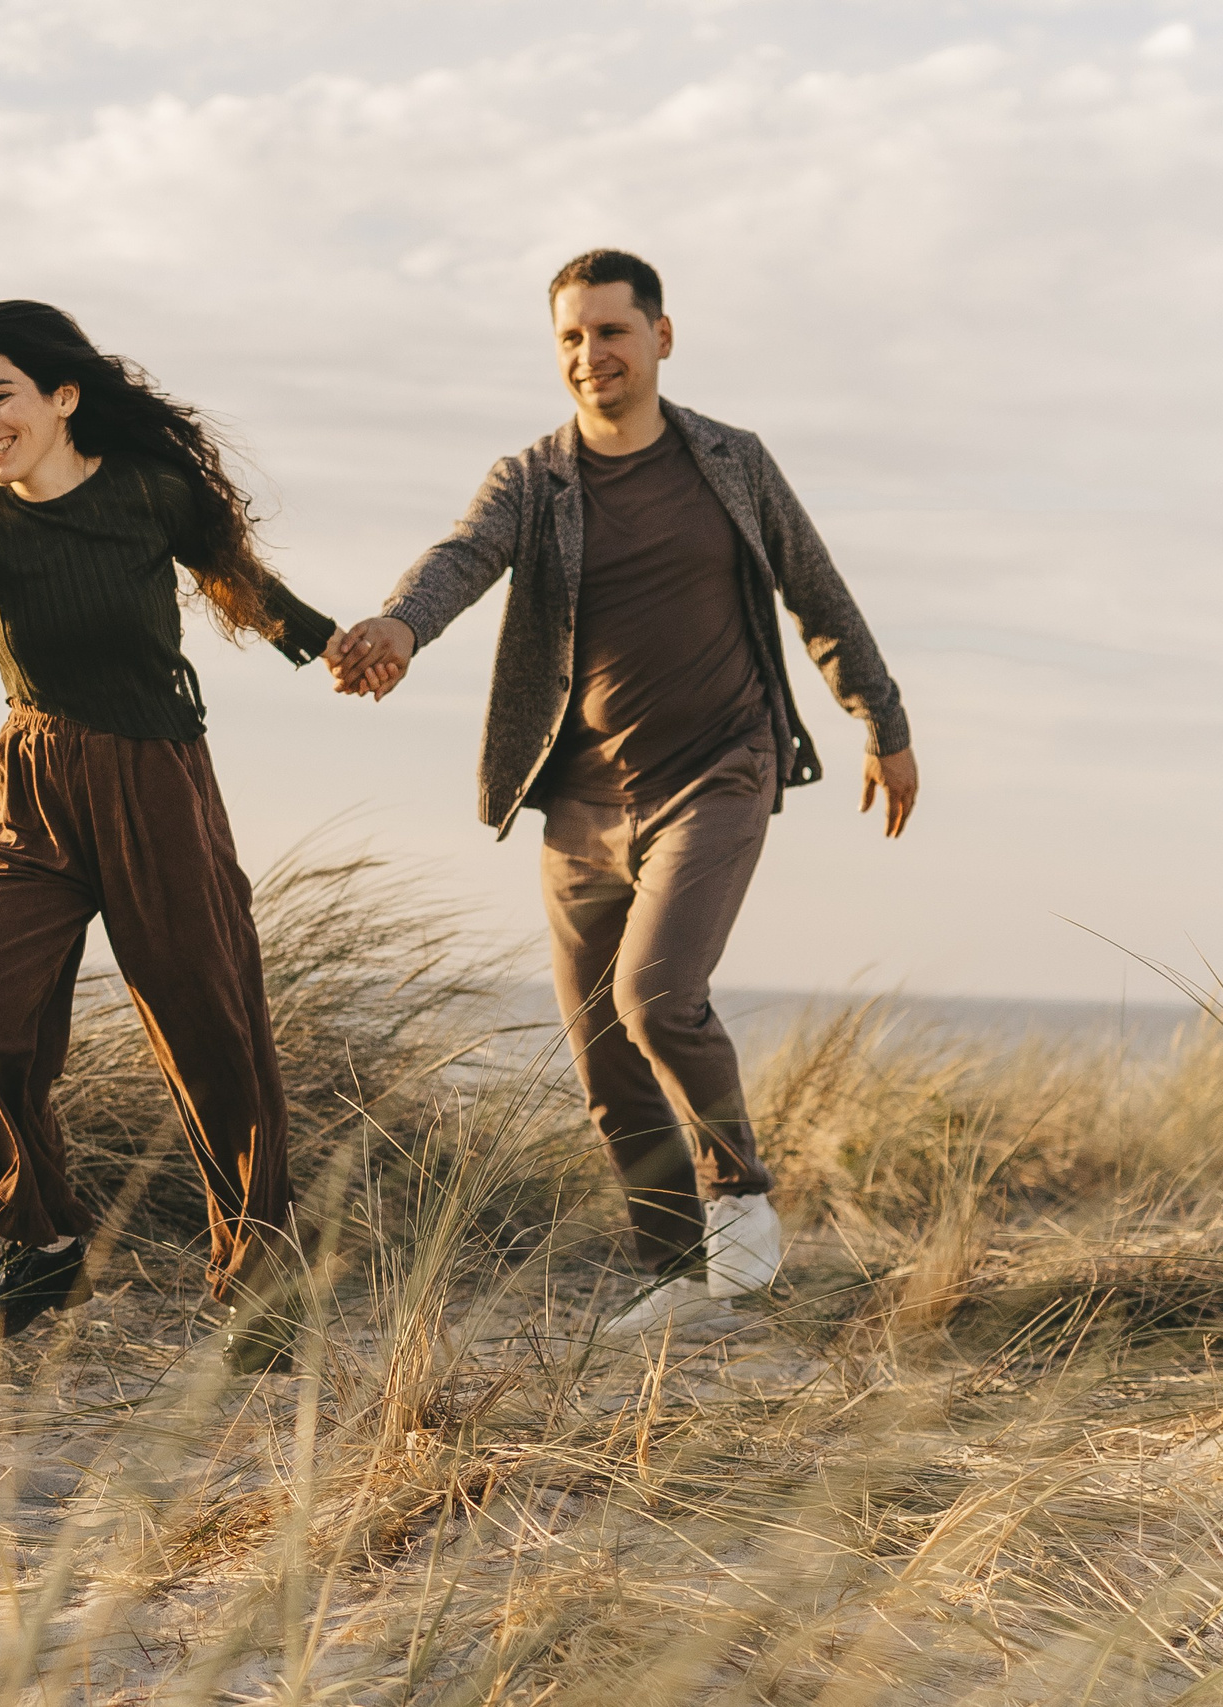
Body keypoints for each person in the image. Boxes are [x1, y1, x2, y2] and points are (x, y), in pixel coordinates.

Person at [328, 249, 919, 1336]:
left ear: (660, 336)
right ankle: (679, 1278)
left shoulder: (731, 463)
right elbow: (464, 555)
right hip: (582, 803)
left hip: (720, 769)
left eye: (609, 331)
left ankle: (739, 1212)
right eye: (569, 337)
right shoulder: (533, 478)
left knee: (657, 999)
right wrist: (401, 624)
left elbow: (815, 592)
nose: (590, 355)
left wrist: (881, 723)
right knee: (604, 1054)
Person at [0, 300, 340, 1372]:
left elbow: (239, 582)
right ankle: (40, 1241)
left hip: (155, 779)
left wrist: (327, 644)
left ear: (62, 397)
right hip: (33, 781)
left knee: (210, 1028)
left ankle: (260, 1276)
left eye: (0, 396)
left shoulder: (146, 496)